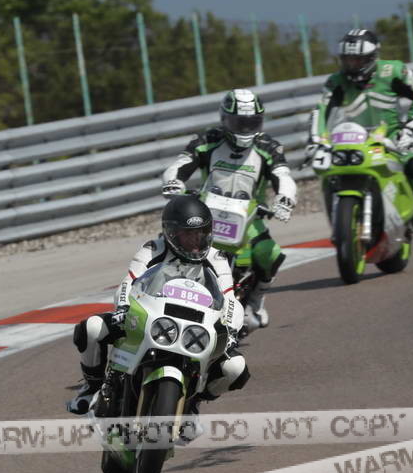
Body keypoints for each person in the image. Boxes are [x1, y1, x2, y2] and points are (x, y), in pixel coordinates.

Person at [66, 195, 249, 415]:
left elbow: (229, 299)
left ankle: (193, 402)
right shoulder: (153, 249)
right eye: (188, 234)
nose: (196, 240)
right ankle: (91, 387)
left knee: (235, 367)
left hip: (196, 328)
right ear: (171, 233)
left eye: (201, 233)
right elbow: (129, 281)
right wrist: (122, 308)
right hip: (152, 317)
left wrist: (230, 331)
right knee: (92, 327)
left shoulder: (217, 258)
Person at [161, 88, 297, 329]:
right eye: (239, 122)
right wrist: (174, 181)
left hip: (250, 217)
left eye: (251, 122)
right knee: (168, 242)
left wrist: (285, 197)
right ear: (224, 119)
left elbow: (282, 175)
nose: (245, 128)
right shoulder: (208, 140)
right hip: (206, 213)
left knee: (269, 253)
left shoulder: (268, 146)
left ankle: (256, 300)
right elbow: (181, 163)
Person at [306, 29, 413, 232]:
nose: (351, 65)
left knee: (411, 165)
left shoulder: (393, 71)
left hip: (389, 137)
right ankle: (338, 221)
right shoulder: (335, 81)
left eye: (357, 60)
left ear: (372, 57)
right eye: (347, 60)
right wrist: (317, 140)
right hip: (348, 139)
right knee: (329, 175)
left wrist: (410, 127)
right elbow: (320, 110)